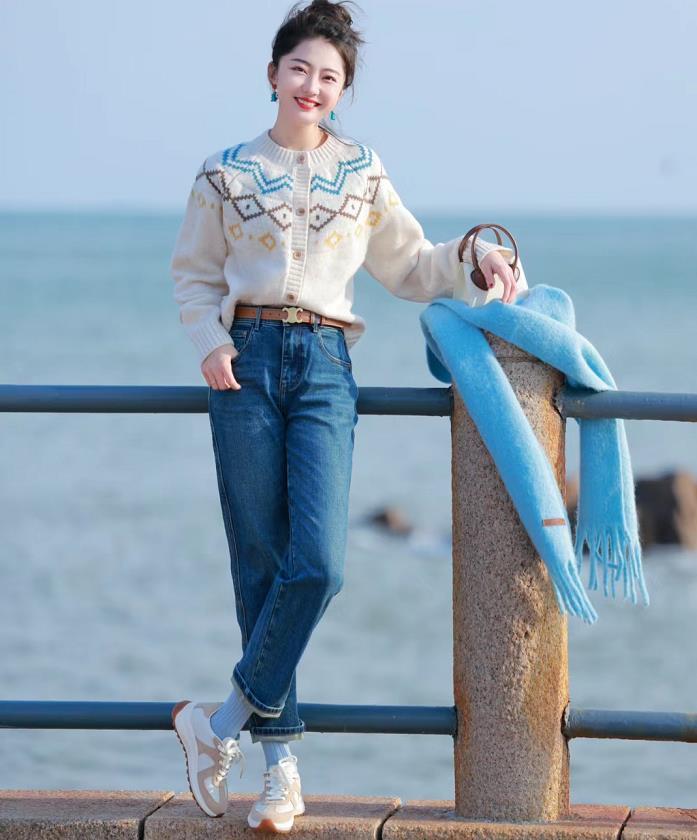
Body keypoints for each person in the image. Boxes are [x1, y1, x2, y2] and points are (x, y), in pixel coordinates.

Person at [169, 0, 520, 831]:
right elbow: (193, 274)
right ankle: (280, 771)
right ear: (271, 73)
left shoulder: (361, 172)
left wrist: (476, 251)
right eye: (299, 68)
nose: (312, 85)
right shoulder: (222, 173)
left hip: (326, 365)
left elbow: (412, 267)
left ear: (342, 90)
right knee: (259, 563)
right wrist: (208, 341)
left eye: (329, 76)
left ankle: (218, 723)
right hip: (244, 363)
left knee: (319, 563)